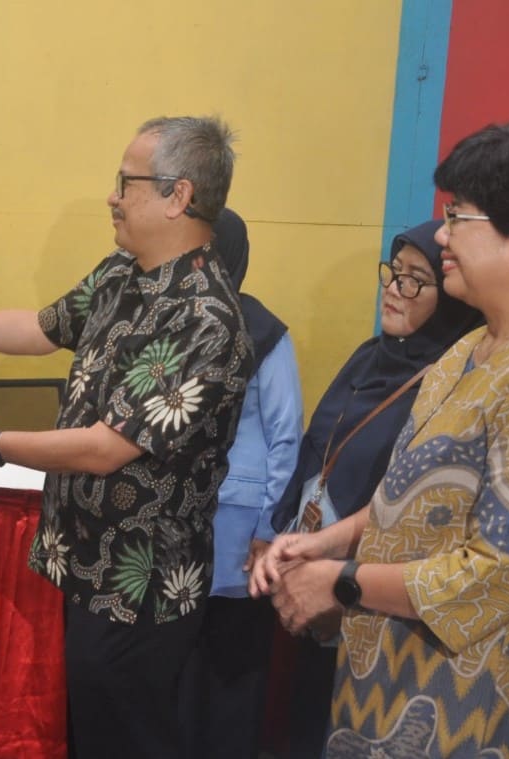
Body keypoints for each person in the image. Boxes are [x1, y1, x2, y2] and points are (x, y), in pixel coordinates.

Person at [252, 122, 509, 757]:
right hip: (389, 678)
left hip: (469, 702)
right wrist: (330, 540)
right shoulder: (472, 347)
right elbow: (416, 496)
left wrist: (342, 582)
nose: (444, 235)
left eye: (459, 216)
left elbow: (498, 574)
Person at [0, 116, 250, 758]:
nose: (113, 196)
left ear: (178, 195)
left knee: (131, 737)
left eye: (126, 182)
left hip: (143, 582)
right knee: (92, 728)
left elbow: (105, 447)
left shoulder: (206, 318)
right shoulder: (122, 273)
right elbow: (40, 329)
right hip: (87, 558)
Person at [265, 218, 481, 759]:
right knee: (306, 712)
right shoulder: (369, 356)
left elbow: (417, 498)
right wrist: (281, 534)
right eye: (393, 272)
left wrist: (340, 564)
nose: (394, 288)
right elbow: (317, 445)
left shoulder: (451, 381)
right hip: (318, 560)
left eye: (415, 280)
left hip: (375, 583)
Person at [179, 207, 302, 759]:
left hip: (239, 525)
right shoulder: (172, 322)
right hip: (177, 519)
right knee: (180, 658)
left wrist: (269, 528)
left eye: (202, 251)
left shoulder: (264, 332)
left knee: (232, 658)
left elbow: (286, 436)